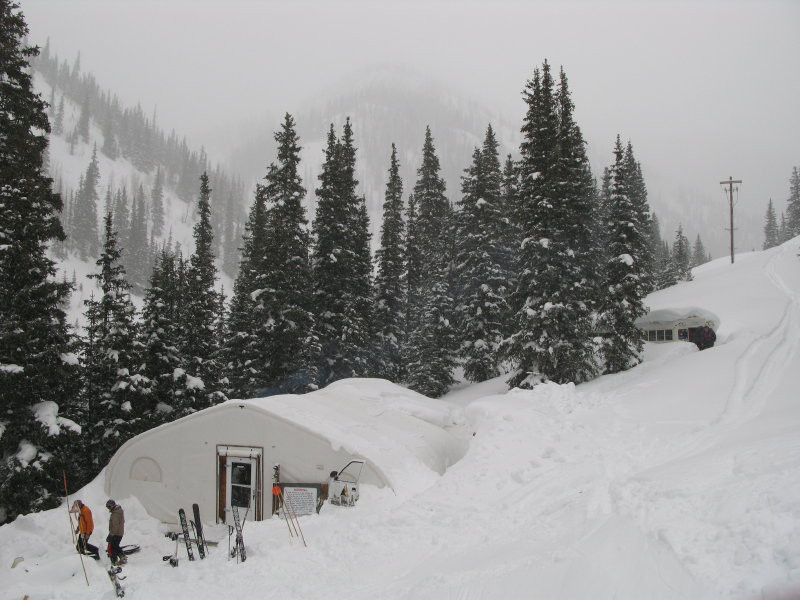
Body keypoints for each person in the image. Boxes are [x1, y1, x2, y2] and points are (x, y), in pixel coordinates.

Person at [105, 499, 126, 565]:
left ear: (113, 505)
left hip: (116, 533)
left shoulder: (115, 514)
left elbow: (115, 526)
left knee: (112, 547)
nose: (108, 508)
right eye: (107, 507)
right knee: (115, 546)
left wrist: (111, 535)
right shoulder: (118, 511)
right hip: (119, 532)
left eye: (109, 507)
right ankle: (122, 557)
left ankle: (114, 561)